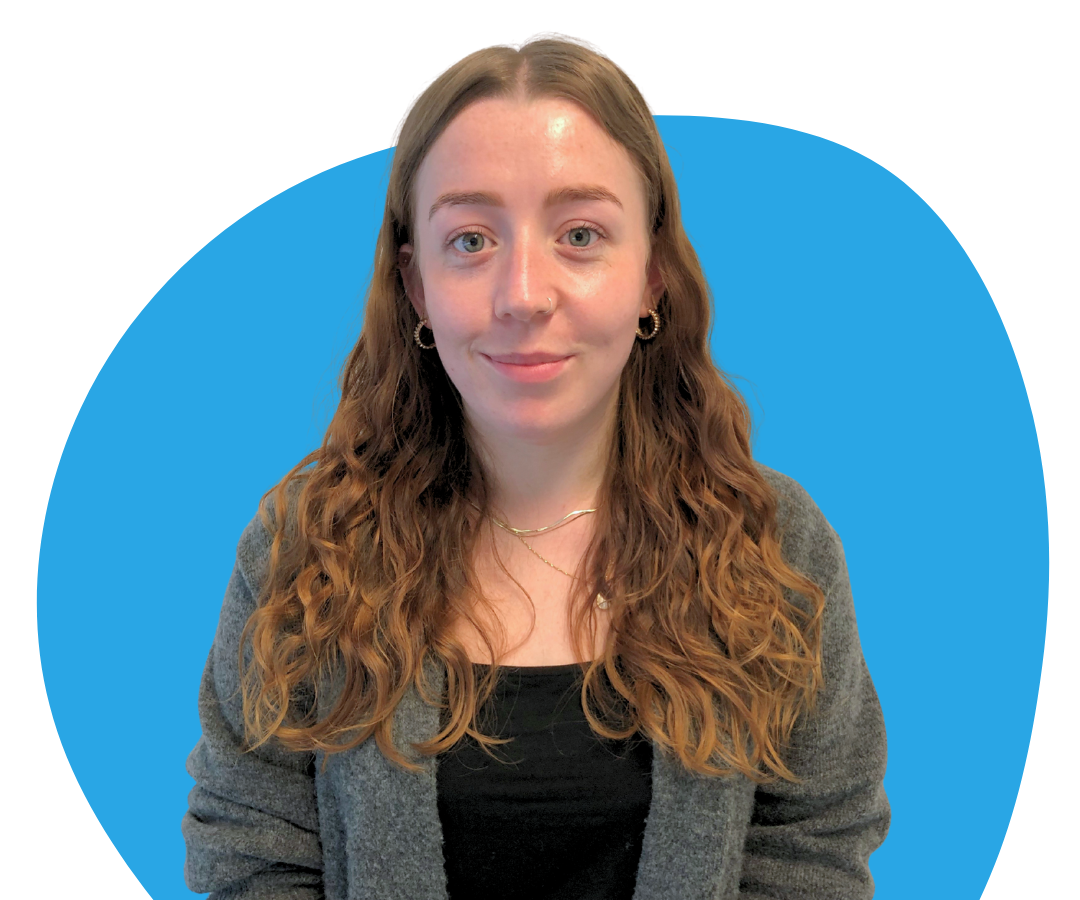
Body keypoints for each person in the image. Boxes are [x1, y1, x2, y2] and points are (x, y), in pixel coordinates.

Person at [182, 36, 889, 900]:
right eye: (471, 239)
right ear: (416, 287)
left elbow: (810, 855)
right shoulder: (304, 551)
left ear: (652, 275)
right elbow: (253, 853)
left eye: (580, 234)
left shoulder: (775, 548)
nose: (523, 292)